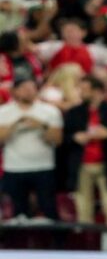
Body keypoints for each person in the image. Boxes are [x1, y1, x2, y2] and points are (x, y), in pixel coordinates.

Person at [64, 75, 107, 227]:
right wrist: (75, 137)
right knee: (83, 210)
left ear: (97, 91)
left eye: (85, 89)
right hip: (82, 166)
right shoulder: (74, 113)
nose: (81, 92)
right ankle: (87, 241)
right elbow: (64, 138)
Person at [0, 78, 63, 223]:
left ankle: (55, 237)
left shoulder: (50, 111)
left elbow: (57, 140)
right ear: (14, 91)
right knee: (18, 213)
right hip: (14, 167)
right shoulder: (3, 112)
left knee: (49, 209)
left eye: (32, 88)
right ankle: (18, 238)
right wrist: (15, 125)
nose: (28, 91)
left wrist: (41, 126)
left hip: (43, 166)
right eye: (24, 88)